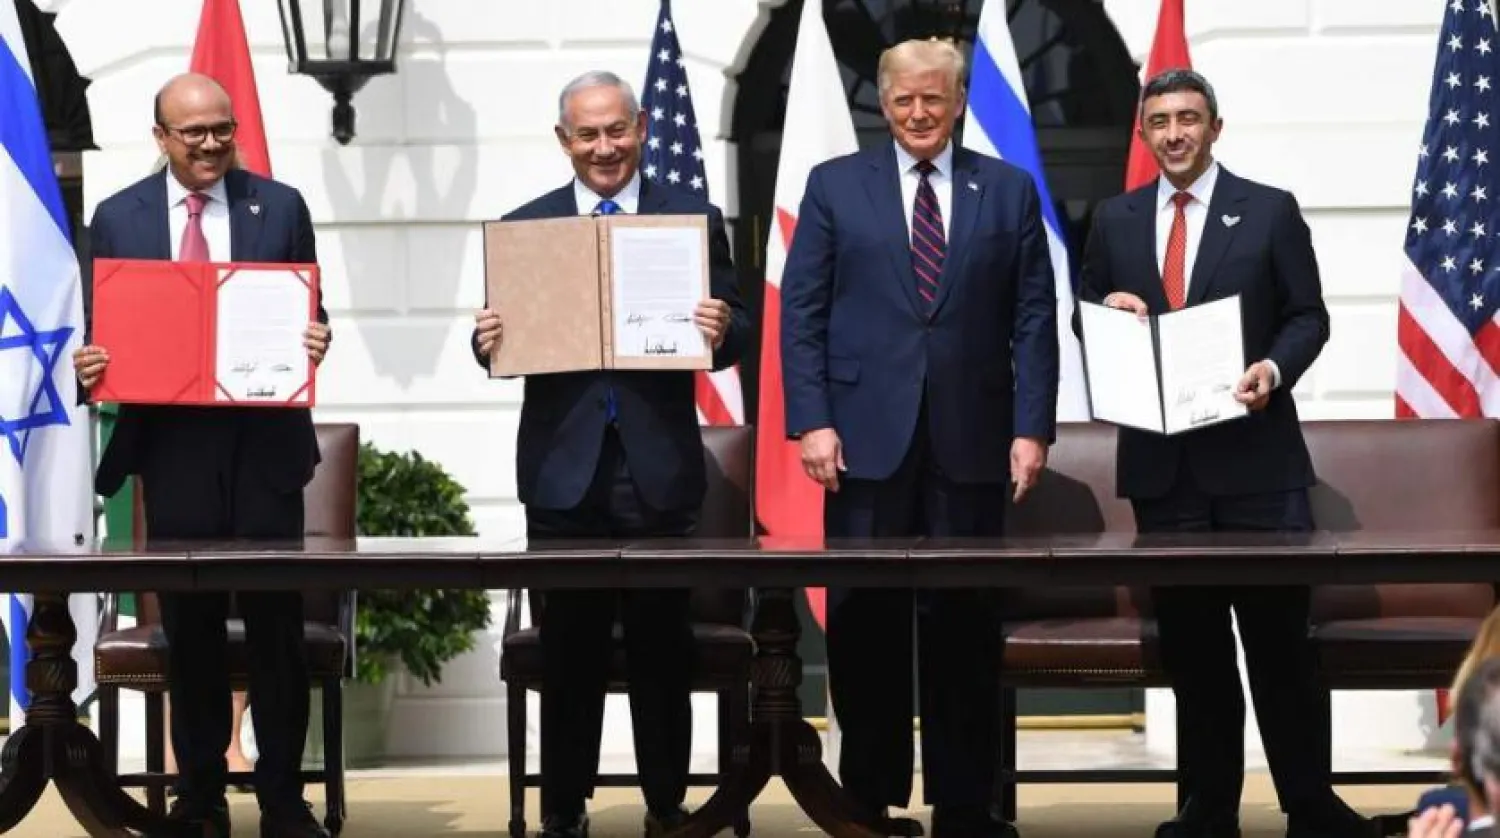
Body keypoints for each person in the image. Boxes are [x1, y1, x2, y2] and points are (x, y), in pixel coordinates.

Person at [1074, 68, 1370, 838]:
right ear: (1144, 133)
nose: (1175, 133)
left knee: (1279, 649)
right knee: (1196, 654)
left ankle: (1310, 804)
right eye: (1161, 121)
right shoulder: (1113, 219)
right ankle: (1208, 807)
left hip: (1257, 465)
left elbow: (1308, 317)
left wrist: (1272, 369)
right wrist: (1106, 312)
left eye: (1189, 119)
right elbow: (1085, 321)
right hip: (1164, 472)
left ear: (1215, 127)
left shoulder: (1268, 212)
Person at [779, 37, 1058, 838]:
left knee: (963, 624)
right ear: (883, 103)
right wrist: (813, 418)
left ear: (959, 99)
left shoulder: (1005, 190)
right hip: (863, 444)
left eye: (933, 98)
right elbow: (803, 313)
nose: (918, 113)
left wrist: (1031, 427)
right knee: (865, 626)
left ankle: (964, 804)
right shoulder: (836, 186)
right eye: (903, 100)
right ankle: (865, 799)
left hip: (973, 441)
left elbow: (1034, 319)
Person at [470, 70, 749, 838]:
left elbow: (736, 339)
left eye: (617, 130)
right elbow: (498, 347)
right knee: (571, 653)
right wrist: (484, 342)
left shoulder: (690, 217)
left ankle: (667, 805)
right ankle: (564, 809)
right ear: (564, 141)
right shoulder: (527, 228)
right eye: (587, 134)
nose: (604, 147)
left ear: (642, 129)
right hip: (565, 472)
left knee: (665, 649)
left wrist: (723, 325)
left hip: (658, 467)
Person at [72, 72, 331, 838]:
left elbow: (312, 311)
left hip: (266, 451)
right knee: (190, 633)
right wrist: (91, 365)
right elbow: (97, 326)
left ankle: (283, 796)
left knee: (277, 627)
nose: (212, 143)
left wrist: (318, 335)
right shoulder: (118, 217)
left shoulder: (278, 206)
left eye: (222, 129)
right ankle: (202, 796)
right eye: (194, 133)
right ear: (162, 138)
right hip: (173, 451)